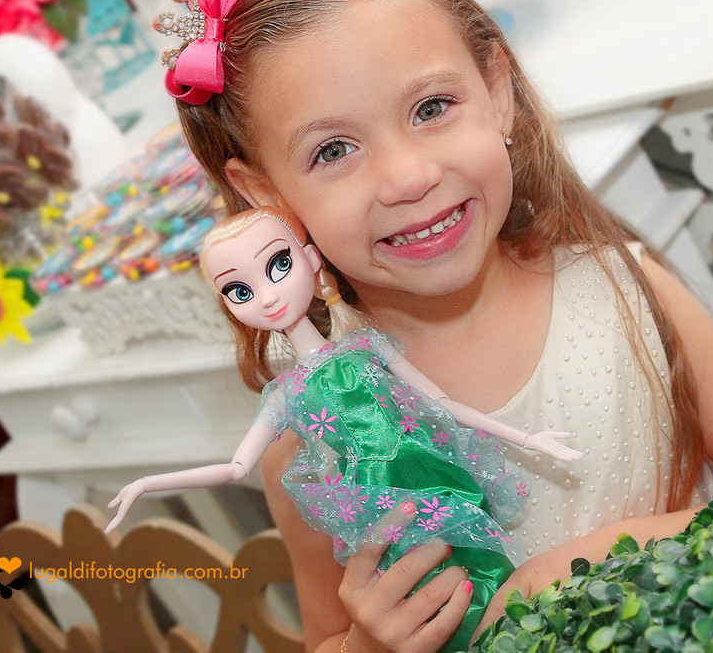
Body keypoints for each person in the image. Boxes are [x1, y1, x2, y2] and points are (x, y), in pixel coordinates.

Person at [161, 0, 713, 653]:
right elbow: (325, 638)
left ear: (498, 90)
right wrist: (367, 643)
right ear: (266, 194)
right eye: (333, 150)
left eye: (430, 107)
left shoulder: (628, 293)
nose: (406, 176)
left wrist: (612, 555)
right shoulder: (315, 439)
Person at [105, 206, 583, 651]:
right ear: (229, 306)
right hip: (377, 494)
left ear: (310, 260)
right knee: (424, 588)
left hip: (428, 462)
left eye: (278, 265)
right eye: (240, 291)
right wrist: (149, 483)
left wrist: (524, 438)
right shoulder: (286, 396)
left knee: (482, 558)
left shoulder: (366, 346)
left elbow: (442, 403)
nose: (268, 296)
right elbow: (236, 467)